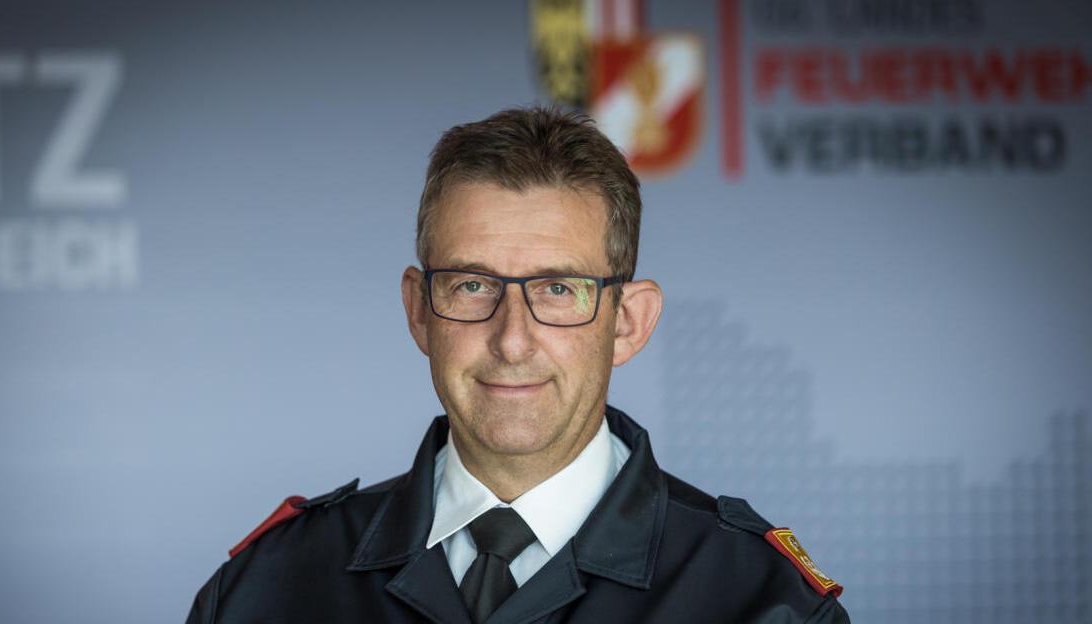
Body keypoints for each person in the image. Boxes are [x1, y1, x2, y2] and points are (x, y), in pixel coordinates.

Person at [186, 107, 849, 623]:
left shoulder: (763, 604)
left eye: (558, 289)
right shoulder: (266, 590)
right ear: (419, 311)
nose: (512, 340)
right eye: (472, 286)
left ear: (627, 322)